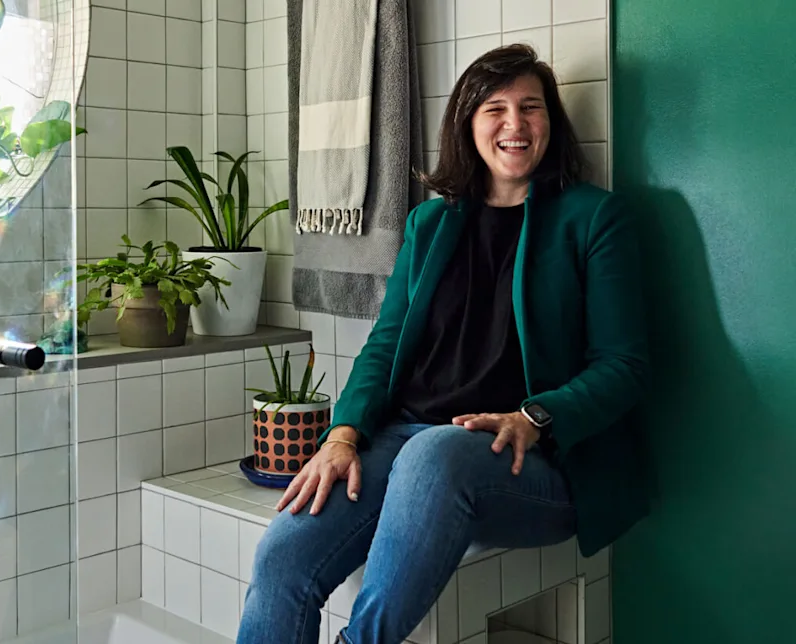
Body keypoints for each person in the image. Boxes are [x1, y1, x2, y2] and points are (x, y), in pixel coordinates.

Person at [237, 44, 650, 644]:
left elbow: (624, 364)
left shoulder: (594, 219)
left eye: (531, 107)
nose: (515, 124)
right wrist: (342, 436)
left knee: (438, 452)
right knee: (282, 557)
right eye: (495, 109)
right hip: (405, 441)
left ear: (551, 123)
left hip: (536, 458)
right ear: (467, 122)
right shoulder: (429, 224)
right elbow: (384, 344)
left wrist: (537, 416)